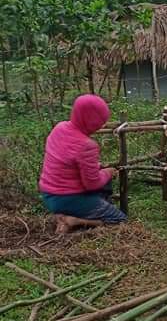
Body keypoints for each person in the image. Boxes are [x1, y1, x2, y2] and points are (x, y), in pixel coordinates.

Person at [39, 94, 126, 233]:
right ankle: (75, 220)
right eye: (100, 121)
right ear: (92, 121)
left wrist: (96, 168)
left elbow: (66, 162)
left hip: (48, 194)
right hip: (68, 198)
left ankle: (67, 215)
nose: (100, 125)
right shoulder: (87, 145)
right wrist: (108, 172)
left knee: (101, 189)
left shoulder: (60, 128)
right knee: (119, 220)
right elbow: (92, 184)